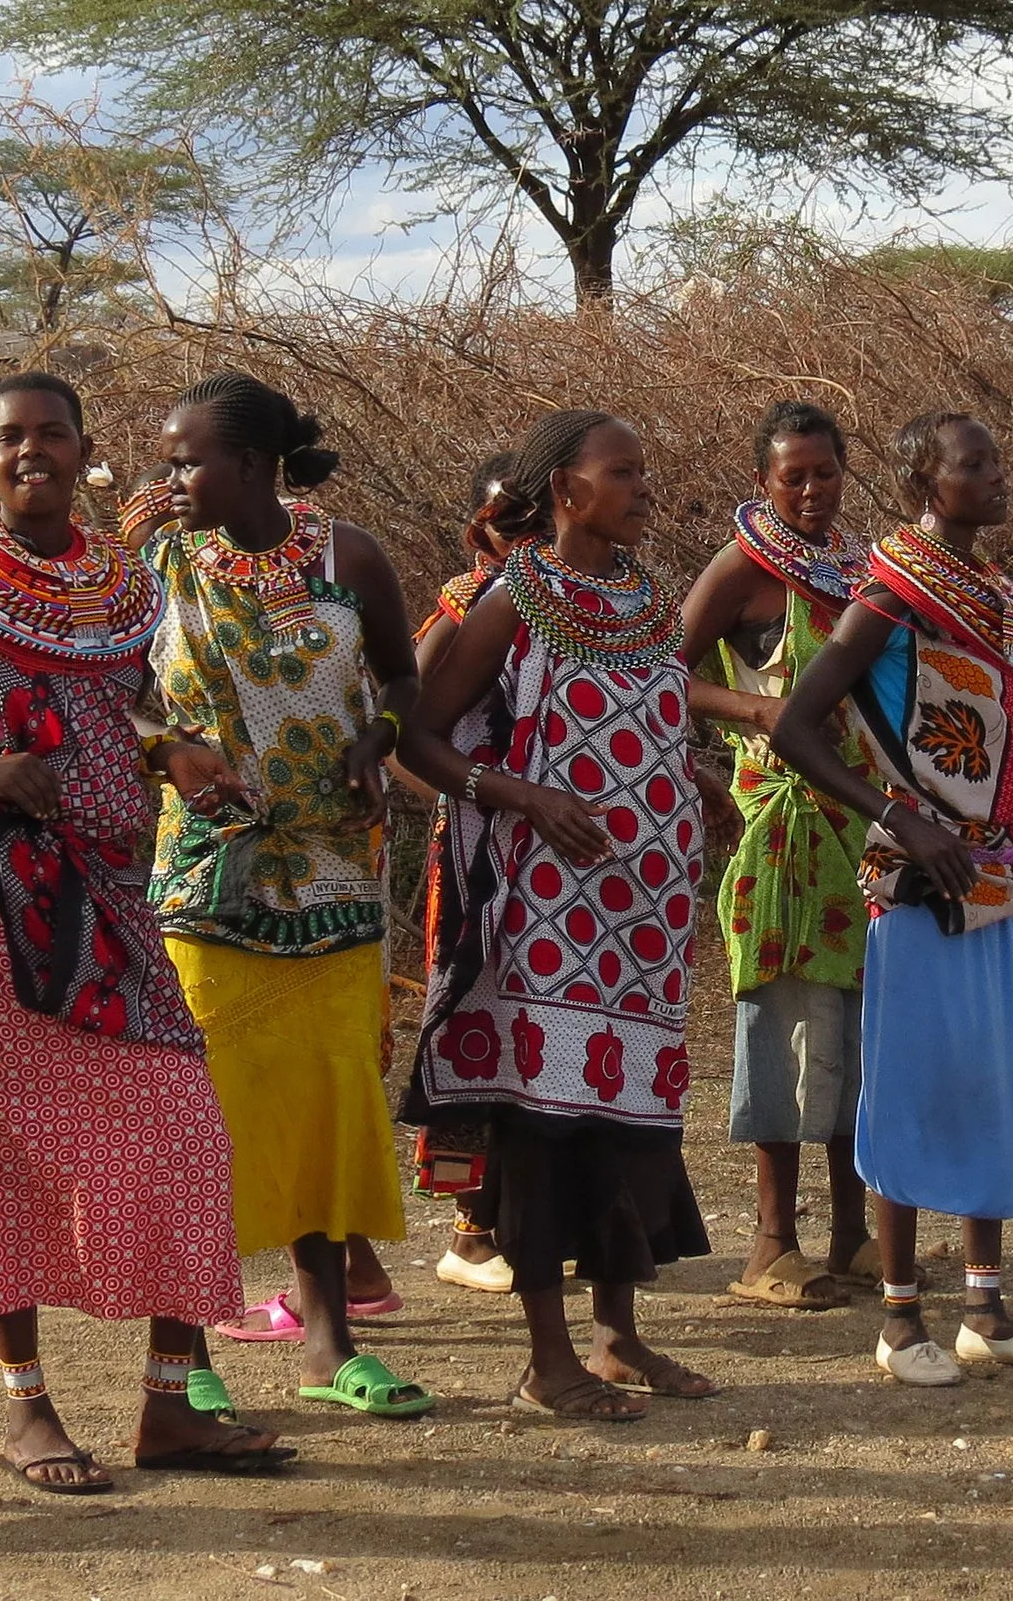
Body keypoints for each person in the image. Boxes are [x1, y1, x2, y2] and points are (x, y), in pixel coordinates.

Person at [0, 371, 287, 1493]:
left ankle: (169, 1411)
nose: (29, 451)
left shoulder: (116, 584)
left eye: (50, 434)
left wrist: (167, 749)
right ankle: (28, 1410)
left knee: (185, 1130)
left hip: (111, 890)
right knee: (2, 1151)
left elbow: (109, 707)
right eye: (9, 437)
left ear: (85, 451)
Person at [400, 408, 718, 1421]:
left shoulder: (647, 601)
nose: (643, 487)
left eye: (641, 469)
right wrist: (522, 796)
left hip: (645, 917)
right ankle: (549, 1361)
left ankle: (618, 1338)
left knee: (629, 1122)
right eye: (622, 472)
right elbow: (419, 738)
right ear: (565, 491)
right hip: (549, 918)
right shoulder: (513, 598)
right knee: (546, 1121)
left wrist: (694, 783)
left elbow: (650, 721)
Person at [770, 411, 1013, 1385]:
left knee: (998, 1084)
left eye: (995, 458)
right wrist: (900, 817)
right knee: (911, 1087)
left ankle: (986, 1308)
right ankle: (900, 1317)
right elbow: (794, 727)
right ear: (924, 481)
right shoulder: (890, 597)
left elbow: (1002, 728)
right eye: (973, 464)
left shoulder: (990, 592)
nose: (995, 475)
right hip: (921, 881)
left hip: (1006, 873)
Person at [138, 371, 432, 1420]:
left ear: (254, 466)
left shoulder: (346, 558)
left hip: (336, 871)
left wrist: (377, 739)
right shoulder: (154, 567)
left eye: (188, 461)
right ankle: (186, 1356)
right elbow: (111, 697)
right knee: (199, 1110)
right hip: (207, 877)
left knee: (325, 1099)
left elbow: (403, 679)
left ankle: (327, 1343)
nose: (170, 479)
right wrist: (165, 747)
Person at [678, 400, 874, 1311]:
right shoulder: (741, 570)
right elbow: (659, 672)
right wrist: (755, 710)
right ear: (763, 481)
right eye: (792, 476)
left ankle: (852, 1234)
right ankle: (769, 1245)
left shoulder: (861, 569)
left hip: (863, 831)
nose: (811, 491)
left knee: (857, 1035)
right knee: (787, 1033)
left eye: (825, 473)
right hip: (785, 831)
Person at [407, 449, 523, 1295]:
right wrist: (463, 798)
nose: (520, 536)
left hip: (550, 848)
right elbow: (400, 729)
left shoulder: (571, 605)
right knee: (473, 1012)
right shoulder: (463, 605)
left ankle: (524, 1216)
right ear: (477, 529)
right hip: (477, 848)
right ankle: (470, 1229)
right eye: (504, 521)